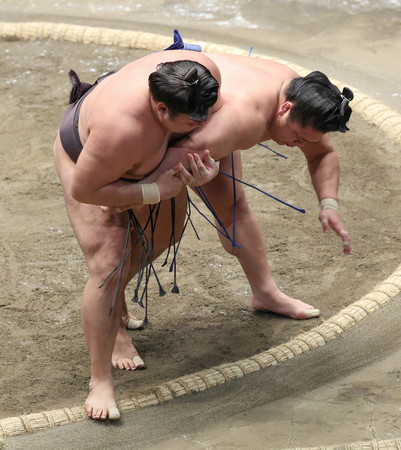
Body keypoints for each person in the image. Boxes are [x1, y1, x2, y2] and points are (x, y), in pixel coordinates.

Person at [53, 50, 221, 421]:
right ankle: (100, 380)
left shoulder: (201, 75)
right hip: (87, 162)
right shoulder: (122, 127)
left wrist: (212, 164)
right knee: (110, 264)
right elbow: (86, 190)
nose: (203, 121)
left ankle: (116, 308)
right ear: (162, 110)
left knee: (170, 230)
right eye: (192, 119)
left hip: (148, 161)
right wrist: (152, 191)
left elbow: (218, 127)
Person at [139, 53, 353, 323]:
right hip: (167, 106)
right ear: (285, 108)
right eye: (298, 137)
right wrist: (127, 192)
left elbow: (322, 154)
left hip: (210, 110)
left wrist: (329, 204)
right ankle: (114, 320)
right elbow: (167, 164)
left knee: (234, 207)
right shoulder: (242, 120)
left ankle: (266, 293)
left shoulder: (307, 98)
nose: (299, 145)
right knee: (146, 228)